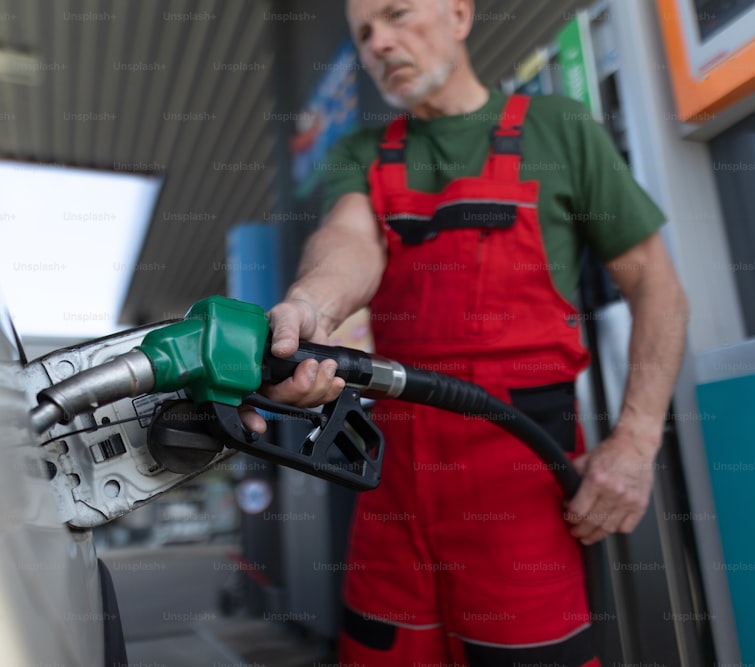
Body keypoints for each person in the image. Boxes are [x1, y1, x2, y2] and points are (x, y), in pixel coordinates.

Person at [241, 0, 689, 664]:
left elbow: (658, 286)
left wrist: (636, 438)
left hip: (521, 478)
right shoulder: (364, 152)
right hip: (393, 481)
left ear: (458, 13)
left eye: (397, 15)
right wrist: (311, 303)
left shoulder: (558, 130)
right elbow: (349, 242)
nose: (379, 43)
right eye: (364, 33)